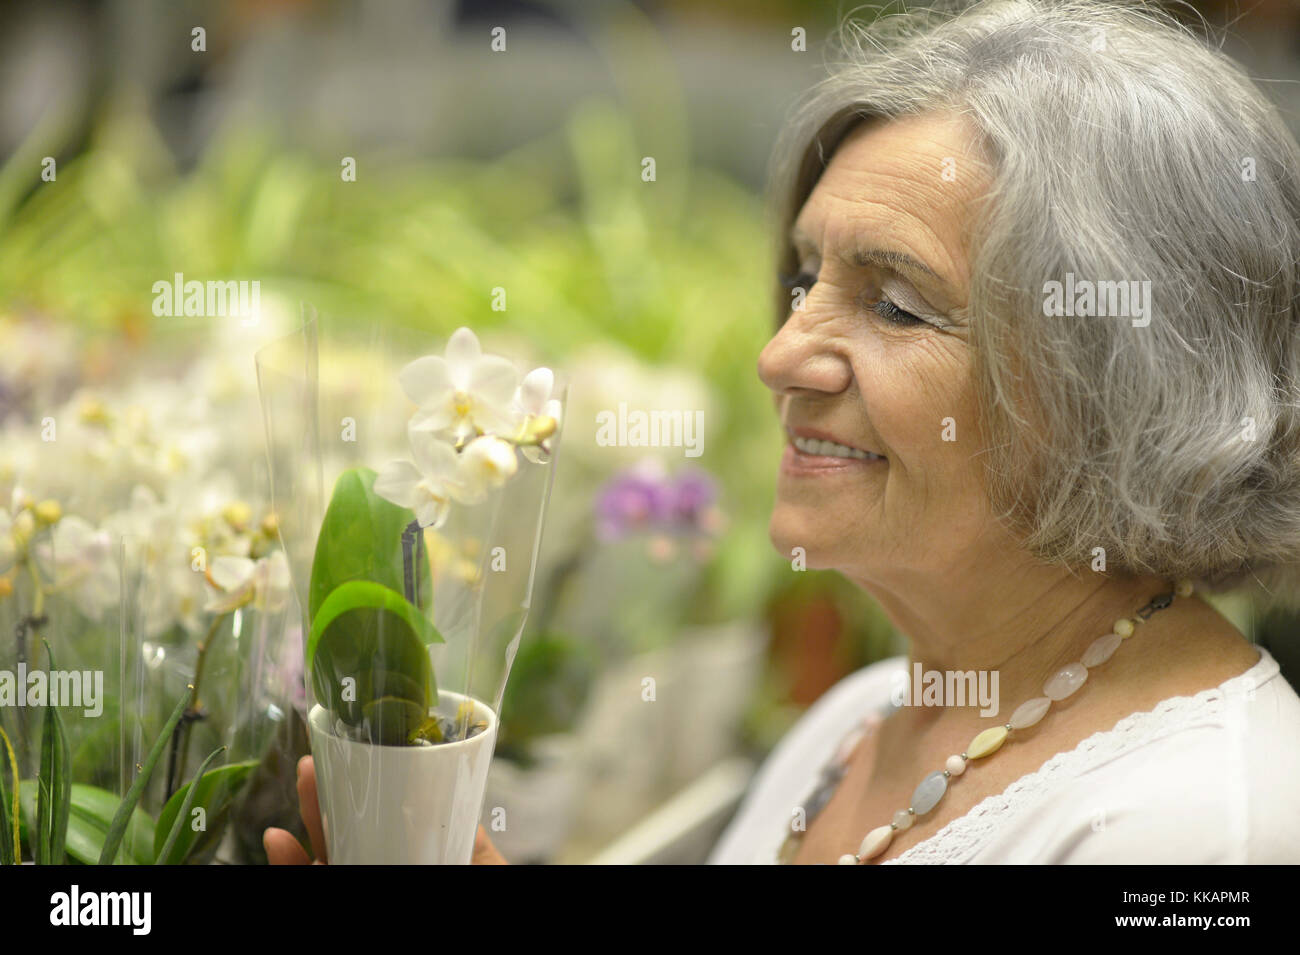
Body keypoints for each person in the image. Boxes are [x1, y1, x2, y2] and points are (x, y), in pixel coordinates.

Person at [270, 0, 1300, 864]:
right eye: (803, 281)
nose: (778, 355)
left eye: (896, 305)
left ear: (1126, 389)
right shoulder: (856, 719)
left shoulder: (1193, 820)